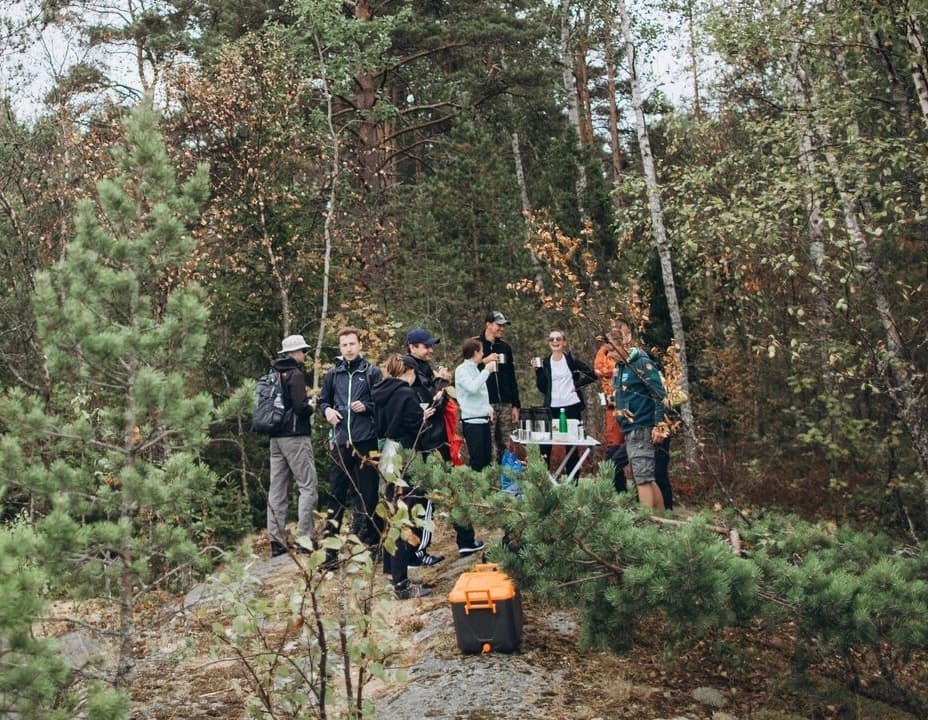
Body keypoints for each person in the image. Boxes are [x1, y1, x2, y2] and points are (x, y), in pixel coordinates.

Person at [404, 327, 485, 556]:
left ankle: (466, 539)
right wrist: (440, 383)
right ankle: (416, 552)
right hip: (427, 444)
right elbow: (430, 405)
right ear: (413, 347)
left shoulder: (423, 368)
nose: (431, 350)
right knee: (424, 495)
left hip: (438, 439)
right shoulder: (410, 370)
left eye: (431, 346)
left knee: (453, 488)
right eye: (426, 346)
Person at [372, 354, 441, 599]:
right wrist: (423, 417)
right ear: (409, 371)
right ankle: (402, 585)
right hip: (405, 454)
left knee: (391, 514)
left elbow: (380, 425)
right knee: (404, 516)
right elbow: (415, 425)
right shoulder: (406, 393)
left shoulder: (380, 393)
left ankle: (391, 572)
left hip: (388, 452)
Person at [318, 327, 383, 569]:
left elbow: (381, 403)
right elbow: (323, 400)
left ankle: (376, 546)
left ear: (360, 345)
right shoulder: (333, 375)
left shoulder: (371, 372)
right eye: (344, 345)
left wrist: (366, 406)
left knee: (370, 494)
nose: (348, 348)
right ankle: (330, 555)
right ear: (340, 348)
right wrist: (327, 411)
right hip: (341, 441)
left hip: (366, 442)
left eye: (352, 344)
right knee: (336, 495)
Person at [267, 334, 318, 557]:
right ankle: (304, 539)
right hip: (295, 436)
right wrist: (312, 407)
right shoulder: (295, 374)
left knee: (277, 488)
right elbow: (300, 407)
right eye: (303, 351)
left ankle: (276, 541)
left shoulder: (273, 373)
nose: (305, 355)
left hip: (275, 437)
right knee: (308, 485)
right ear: (295, 353)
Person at [612, 321, 666, 511]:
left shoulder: (641, 363)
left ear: (625, 343)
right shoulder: (620, 368)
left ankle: (646, 524)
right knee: (645, 477)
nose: (609, 354)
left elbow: (659, 394)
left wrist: (659, 424)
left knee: (642, 479)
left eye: (612, 348)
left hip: (642, 427)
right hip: (629, 430)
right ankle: (663, 520)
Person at [534, 330, 597, 478]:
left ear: (564, 342)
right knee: (545, 444)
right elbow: (543, 388)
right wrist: (538, 372)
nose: (555, 342)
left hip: (571, 406)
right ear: (549, 343)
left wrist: (577, 385)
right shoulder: (545, 362)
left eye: (558, 339)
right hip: (552, 407)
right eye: (551, 339)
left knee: (571, 445)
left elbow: (592, 374)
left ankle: (572, 481)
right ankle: (543, 479)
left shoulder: (571, 360)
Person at [479, 311, 521, 462]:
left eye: (504, 326)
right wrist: (484, 361)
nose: (502, 328)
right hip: (485, 403)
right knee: (488, 443)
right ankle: (489, 480)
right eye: (499, 325)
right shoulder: (476, 345)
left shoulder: (505, 348)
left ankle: (506, 480)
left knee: (505, 443)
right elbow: (465, 370)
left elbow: (512, 377)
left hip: (505, 403)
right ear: (488, 324)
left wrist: (516, 405)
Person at [594, 325, 628, 493]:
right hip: (612, 407)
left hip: (631, 412)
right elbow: (599, 369)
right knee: (613, 447)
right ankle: (618, 492)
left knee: (620, 453)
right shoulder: (605, 351)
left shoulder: (633, 357)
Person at [455, 338, 498, 472]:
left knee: (487, 460)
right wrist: (486, 371)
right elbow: (472, 388)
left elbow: (480, 394)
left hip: (483, 420)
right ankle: (475, 490)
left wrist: (488, 408)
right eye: (481, 352)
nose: (483, 355)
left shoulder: (475, 369)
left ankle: (488, 491)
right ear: (475, 352)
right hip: (472, 422)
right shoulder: (462, 370)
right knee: (477, 461)